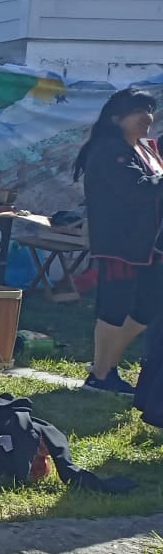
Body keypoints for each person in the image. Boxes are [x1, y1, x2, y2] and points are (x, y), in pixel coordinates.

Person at [72, 87, 163, 395]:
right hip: (120, 244)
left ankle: (107, 365)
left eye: (150, 111)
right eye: (139, 111)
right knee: (115, 307)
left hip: (148, 246)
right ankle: (101, 374)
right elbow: (136, 190)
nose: (147, 118)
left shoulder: (144, 148)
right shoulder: (108, 149)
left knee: (147, 308)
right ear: (117, 117)